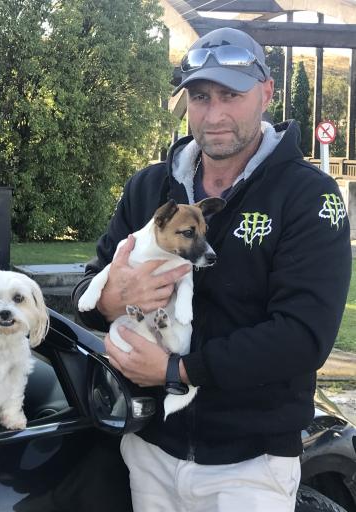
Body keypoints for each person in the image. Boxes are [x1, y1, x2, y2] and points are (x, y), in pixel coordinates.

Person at [72, 27, 351, 511]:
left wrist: (177, 370)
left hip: (251, 464)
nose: (214, 114)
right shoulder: (149, 188)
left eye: (231, 95)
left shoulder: (309, 198)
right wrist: (114, 297)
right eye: (200, 96)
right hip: (150, 448)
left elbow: (303, 336)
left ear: (266, 93)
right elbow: (86, 296)